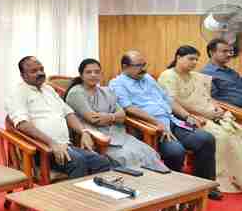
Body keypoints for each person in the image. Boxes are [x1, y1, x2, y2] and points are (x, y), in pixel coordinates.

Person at [109, 50, 222, 200]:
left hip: (172, 121)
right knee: (175, 151)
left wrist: (187, 116)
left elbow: (167, 99)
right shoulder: (117, 84)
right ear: (125, 66)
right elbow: (128, 108)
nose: (143, 69)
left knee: (206, 139)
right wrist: (157, 123)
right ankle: (175, 191)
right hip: (153, 128)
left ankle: (204, 186)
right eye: (138, 65)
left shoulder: (148, 78)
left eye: (144, 64)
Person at [7, 56, 112, 179]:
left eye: (41, 69)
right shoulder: (18, 93)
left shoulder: (48, 89)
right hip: (42, 149)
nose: (40, 73)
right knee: (78, 162)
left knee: (101, 162)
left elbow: (68, 113)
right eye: (34, 71)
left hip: (66, 146)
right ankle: (73, 192)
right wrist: (52, 143)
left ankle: (93, 191)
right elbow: (22, 124)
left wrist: (83, 131)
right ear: (23, 75)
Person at [158, 45, 242, 192]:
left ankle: (235, 177)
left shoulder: (196, 76)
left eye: (196, 59)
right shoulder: (168, 76)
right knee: (221, 136)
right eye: (191, 59)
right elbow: (172, 102)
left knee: (237, 131)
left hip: (207, 114)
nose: (195, 62)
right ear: (178, 57)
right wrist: (198, 115)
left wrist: (217, 108)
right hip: (184, 118)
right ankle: (218, 179)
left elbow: (207, 97)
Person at [64, 58, 167, 172]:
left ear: (101, 74)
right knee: (127, 157)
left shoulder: (106, 91)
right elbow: (94, 119)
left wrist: (109, 117)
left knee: (147, 152)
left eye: (97, 72)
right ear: (81, 75)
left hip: (118, 133)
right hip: (98, 137)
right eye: (88, 72)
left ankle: (157, 180)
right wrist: (114, 117)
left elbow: (122, 115)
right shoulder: (76, 93)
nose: (93, 75)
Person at [200, 38, 242, 108]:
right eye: (224, 51)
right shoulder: (206, 74)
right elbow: (211, 101)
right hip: (232, 111)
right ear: (212, 53)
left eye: (230, 51)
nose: (229, 54)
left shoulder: (232, 72)